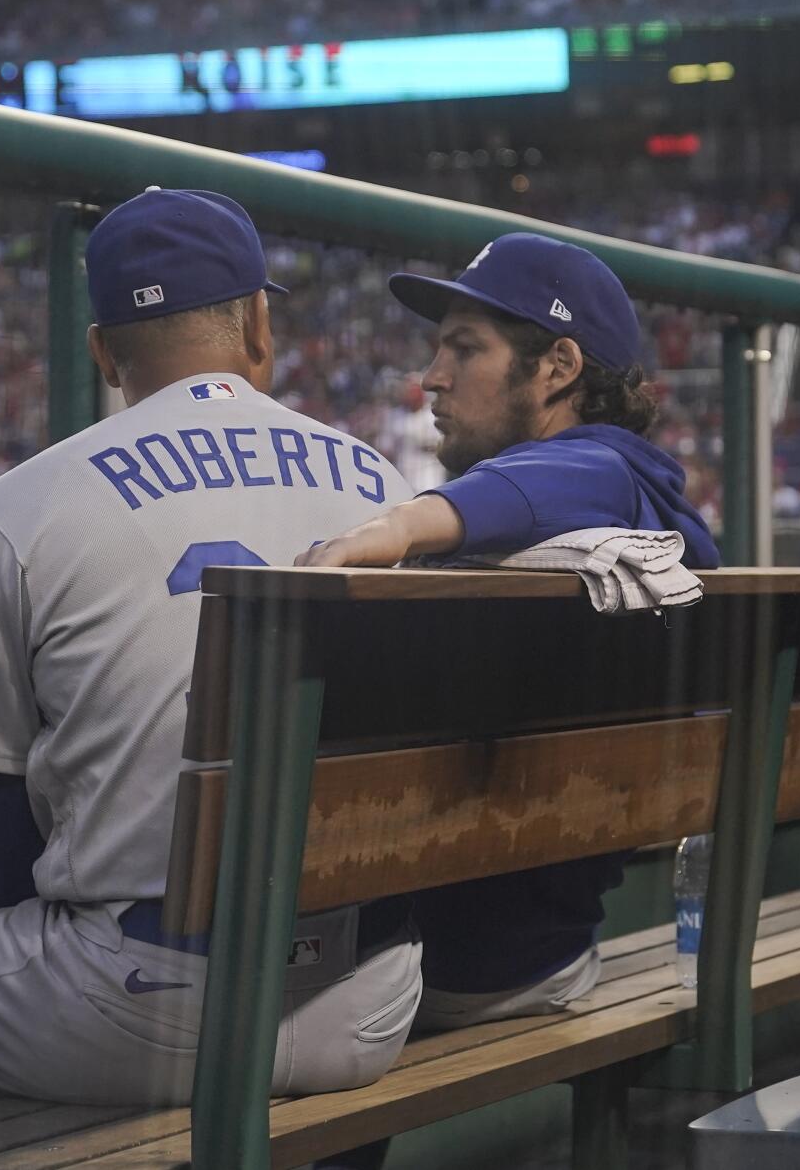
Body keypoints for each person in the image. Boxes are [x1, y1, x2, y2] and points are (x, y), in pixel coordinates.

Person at [0, 189, 423, 1151]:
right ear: (260, 326)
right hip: (368, 999)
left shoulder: (15, 507)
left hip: (149, 1005)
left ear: (102, 352)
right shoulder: (383, 484)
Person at [297, 232, 719, 1030]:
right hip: (533, 946)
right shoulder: (638, 501)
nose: (432, 377)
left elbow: (552, 479)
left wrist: (398, 527)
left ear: (559, 367)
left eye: (464, 349)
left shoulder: (606, 472)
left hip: (470, 964)